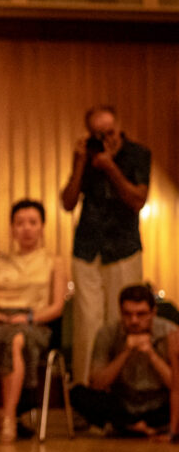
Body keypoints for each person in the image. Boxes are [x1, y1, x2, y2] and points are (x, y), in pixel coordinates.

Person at [61, 105, 150, 386]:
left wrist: (111, 167)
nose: (105, 139)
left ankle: (120, 390)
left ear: (118, 128)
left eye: (109, 132)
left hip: (123, 247)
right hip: (87, 247)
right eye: (98, 134)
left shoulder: (138, 154)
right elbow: (68, 202)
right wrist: (79, 165)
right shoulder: (85, 155)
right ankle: (86, 392)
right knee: (88, 324)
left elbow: (137, 200)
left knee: (120, 320)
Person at [0, 200, 67, 443]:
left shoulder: (54, 262)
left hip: (36, 322)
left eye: (32, 223)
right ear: (12, 228)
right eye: (20, 223)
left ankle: (9, 417)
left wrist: (28, 317)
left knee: (17, 339)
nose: (26, 228)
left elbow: (57, 306)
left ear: (42, 227)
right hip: (1, 318)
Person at [69, 284, 174, 437]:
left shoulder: (170, 332)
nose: (134, 320)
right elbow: (97, 383)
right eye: (128, 314)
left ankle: (129, 427)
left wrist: (152, 354)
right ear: (120, 313)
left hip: (159, 403)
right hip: (123, 404)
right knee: (78, 393)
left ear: (153, 313)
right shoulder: (108, 333)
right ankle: (135, 426)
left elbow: (176, 386)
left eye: (141, 314)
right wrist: (125, 352)